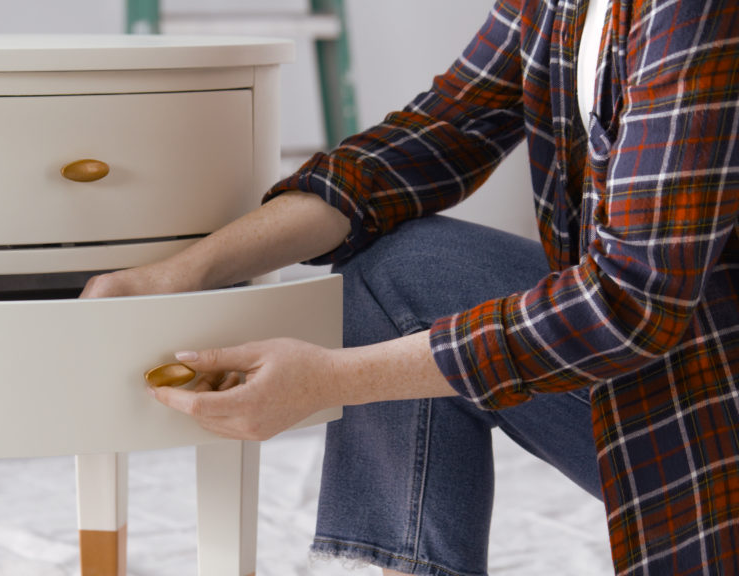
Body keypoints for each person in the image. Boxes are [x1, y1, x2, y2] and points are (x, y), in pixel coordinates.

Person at [81, 0, 739, 573]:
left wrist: (334, 377)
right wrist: (177, 275)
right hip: (673, 369)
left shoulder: (694, 13)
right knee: (395, 269)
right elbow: (431, 137)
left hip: (714, 421)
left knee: (409, 305)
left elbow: (628, 303)